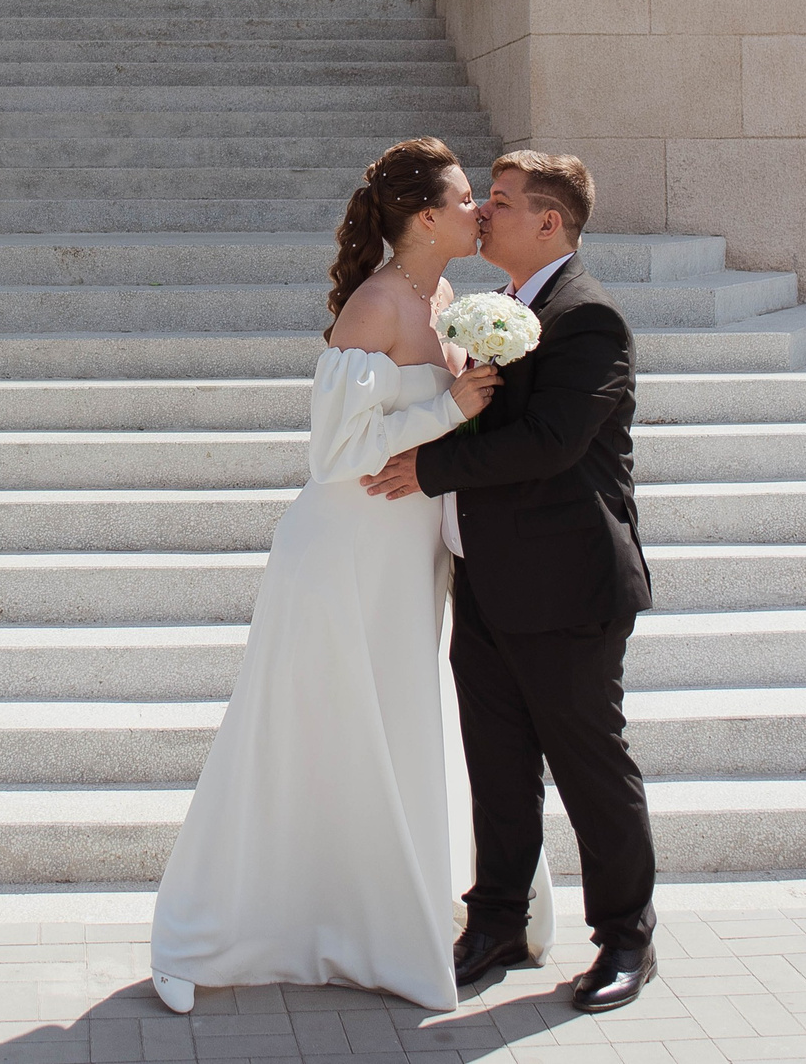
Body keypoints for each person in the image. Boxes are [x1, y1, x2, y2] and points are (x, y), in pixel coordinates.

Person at [147, 137, 503, 1013]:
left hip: (404, 554)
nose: (479, 210)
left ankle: (377, 924)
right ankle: (216, 928)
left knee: (387, 733)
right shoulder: (378, 306)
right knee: (305, 736)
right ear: (425, 217)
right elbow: (333, 452)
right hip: (343, 552)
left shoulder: (446, 295)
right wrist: (445, 407)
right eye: (465, 198)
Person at [364, 151, 659, 1013]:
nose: (484, 215)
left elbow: (552, 442)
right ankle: (494, 921)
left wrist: (429, 467)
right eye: (482, 200)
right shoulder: (504, 308)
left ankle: (626, 938)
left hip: (568, 585)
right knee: (496, 767)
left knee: (589, 765)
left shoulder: (588, 317)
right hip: (487, 581)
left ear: (550, 223)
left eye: (500, 202)